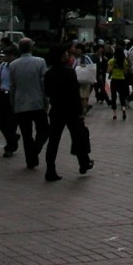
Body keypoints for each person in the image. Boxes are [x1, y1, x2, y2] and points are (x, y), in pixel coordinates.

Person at [43, 44, 94, 181]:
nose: (67, 55)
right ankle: (83, 162)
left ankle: (50, 169)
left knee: (53, 141)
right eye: (65, 53)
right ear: (62, 56)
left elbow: (47, 92)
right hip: (71, 110)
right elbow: (74, 94)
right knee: (78, 136)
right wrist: (80, 112)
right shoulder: (69, 72)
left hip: (56, 110)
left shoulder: (49, 73)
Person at [8, 37, 49, 169]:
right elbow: (43, 83)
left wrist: (12, 102)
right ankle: (35, 149)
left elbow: (12, 86)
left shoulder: (13, 65)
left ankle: (30, 159)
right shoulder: (40, 62)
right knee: (43, 129)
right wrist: (46, 100)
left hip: (20, 103)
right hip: (37, 101)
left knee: (26, 134)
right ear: (31, 47)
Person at [0, 45, 20, 157]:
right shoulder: (3, 66)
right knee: (0, 122)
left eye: (9, 55)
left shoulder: (18, 67)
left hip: (13, 96)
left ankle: (10, 146)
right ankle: (13, 138)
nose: (7, 57)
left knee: (11, 122)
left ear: (15, 56)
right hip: (2, 94)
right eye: (6, 55)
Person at [107, 44, 130, 119]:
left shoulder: (111, 61)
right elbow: (126, 73)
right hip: (122, 80)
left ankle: (114, 113)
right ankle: (123, 109)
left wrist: (113, 67)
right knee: (122, 96)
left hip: (114, 80)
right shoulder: (124, 61)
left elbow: (108, 71)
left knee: (113, 96)